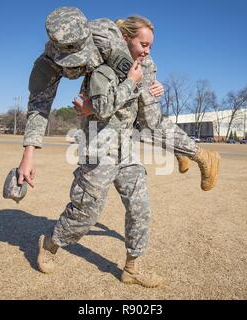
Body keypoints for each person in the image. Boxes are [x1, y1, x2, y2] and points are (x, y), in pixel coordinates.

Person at [18, 7, 220, 193]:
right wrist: (28, 156)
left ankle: (202, 155)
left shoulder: (107, 40)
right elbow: (38, 108)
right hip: (104, 77)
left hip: (136, 69)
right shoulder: (45, 67)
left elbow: (134, 81)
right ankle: (177, 147)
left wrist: (97, 106)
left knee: (150, 123)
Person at [37, 14, 163, 288]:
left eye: (150, 45)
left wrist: (153, 90)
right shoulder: (99, 66)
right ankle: (50, 244)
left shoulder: (140, 68)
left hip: (125, 148)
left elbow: (144, 115)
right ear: (126, 39)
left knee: (140, 208)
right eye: (143, 43)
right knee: (86, 213)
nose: (147, 50)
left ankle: (132, 267)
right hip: (98, 147)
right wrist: (131, 82)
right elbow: (103, 107)